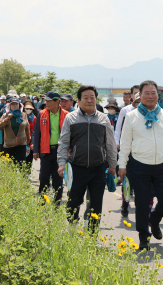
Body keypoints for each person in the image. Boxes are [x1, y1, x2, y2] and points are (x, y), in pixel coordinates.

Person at [118, 80, 163, 250]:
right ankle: (143, 236)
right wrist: (122, 165)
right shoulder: (132, 116)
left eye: (153, 92)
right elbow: (125, 142)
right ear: (140, 95)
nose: (150, 96)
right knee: (142, 203)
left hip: (161, 165)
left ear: (158, 95)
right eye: (146, 93)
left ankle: (154, 220)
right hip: (139, 165)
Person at [57, 86, 117, 231]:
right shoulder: (71, 118)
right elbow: (64, 142)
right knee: (73, 202)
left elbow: (110, 143)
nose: (89, 100)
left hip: (98, 168)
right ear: (78, 100)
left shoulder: (103, 119)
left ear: (96, 99)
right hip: (76, 167)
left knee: (96, 204)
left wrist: (113, 164)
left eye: (92, 97)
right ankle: (72, 227)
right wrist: (61, 163)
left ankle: (92, 233)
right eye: (86, 97)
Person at [33, 91, 68, 205]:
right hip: (46, 151)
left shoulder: (66, 115)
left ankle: (57, 203)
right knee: (43, 177)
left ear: (57, 102)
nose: (46, 102)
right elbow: (36, 133)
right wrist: (36, 150)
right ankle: (42, 201)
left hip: (60, 151)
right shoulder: (41, 114)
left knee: (58, 179)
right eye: (45, 100)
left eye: (49, 101)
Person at [0, 97, 31, 166]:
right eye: (13, 104)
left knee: (22, 165)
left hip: (21, 144)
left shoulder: (23, 115)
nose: (15, 106)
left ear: (19, 105)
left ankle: (22, 177)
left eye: (16, 104)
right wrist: (7, 119)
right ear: (10, 106)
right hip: (9, 145)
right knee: (10, 166)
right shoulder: (5, 115)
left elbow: (27, 127)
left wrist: (28, 138)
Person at [115, 85, 140, 151]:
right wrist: (117, 142)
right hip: (127, 145)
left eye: (140, 93)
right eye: (135, 93)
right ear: (131, 95)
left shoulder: (148, 110)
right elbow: (118, 127)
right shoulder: (125, 110)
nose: (138, 95)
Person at [23, 101, 38, 168]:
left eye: (30, 109)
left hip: (30, 141)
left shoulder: (34, 118)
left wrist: (34, 143)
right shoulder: (21, 116)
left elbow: (36, 131)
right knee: (21, 160)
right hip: (21, 140)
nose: (28, 110)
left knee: (29, 160)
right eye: (27, 108)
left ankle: (27, 174)